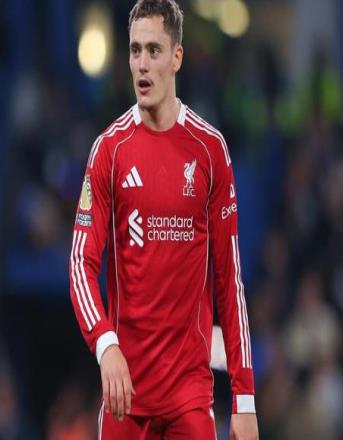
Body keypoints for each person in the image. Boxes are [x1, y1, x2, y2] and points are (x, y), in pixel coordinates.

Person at [69, 0, 259, 438]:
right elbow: (81, 264)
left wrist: (245, 397)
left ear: (177, 57)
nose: (142, 64)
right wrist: (105, 344)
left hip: (189, 400)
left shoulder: (209, 150)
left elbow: (229, 280)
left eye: (154, 50)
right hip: (125, 399)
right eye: (135, 50)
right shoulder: (109, 151)